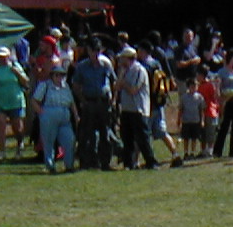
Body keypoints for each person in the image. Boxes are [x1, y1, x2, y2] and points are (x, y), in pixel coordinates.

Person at [70, 37, 113, 170]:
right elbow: (76, 85)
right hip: (89, 102)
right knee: (87, 134)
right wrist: (83, 100)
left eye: (98, 51)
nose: (95, 54)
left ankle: (105, 162)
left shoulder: (106, 65)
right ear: (88, 51)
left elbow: (113, 81)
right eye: (93, 51)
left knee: (105, 133)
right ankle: (87, 162)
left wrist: (113, 98)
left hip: (103, 102)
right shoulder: (82, 67)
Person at [139, 40, 184, 167]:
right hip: (159, 102)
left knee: (143, 133)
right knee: (162, 132)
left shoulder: (143, 66)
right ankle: (175, 155)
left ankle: (138, 160)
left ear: (144, 51)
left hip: (148, 103)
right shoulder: (156, 64)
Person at [115, 46, 158, 169]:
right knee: (126, 137)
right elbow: (117, 87)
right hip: (126, 109)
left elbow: (133, 89)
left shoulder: (139, 70)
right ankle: (128, 163)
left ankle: (151, 162)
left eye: (122, 58)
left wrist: (123, 83)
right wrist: (121, 76)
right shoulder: (124, 71)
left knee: (142, 138)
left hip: (138, 109)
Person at [31, 61, 76, 173]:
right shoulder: (45, 85)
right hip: (49, 113)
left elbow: (71, 102)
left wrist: (76, 115)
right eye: (57, 75)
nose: (59, 77)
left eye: (61, 75)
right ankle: (50, 165)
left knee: (69, 140)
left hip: (65, 115)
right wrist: (41, 112)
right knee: (49, 142)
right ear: (52, 76)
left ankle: (69, 165)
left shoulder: (66, 87)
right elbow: (34, 100)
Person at [0, 45, 28, 160]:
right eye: (0, 57)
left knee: (17, 127)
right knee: (0, 125)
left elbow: (25, 82)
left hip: (15, 100)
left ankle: (19, 147)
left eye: (4, 56)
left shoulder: (15, 66)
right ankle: (2, 151)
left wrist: (17, 73)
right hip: (0, 101)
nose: (2, 59)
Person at [178, 76, 204, 159]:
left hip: (195, 121)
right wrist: (179, 119)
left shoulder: (199, 97)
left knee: (194, 138)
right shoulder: (184, 97)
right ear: (188, 87)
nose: (194, 88)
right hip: (186, 121)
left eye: (195, 86)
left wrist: (202, 120)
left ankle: (192, 152)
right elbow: (181, 109)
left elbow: (201, 110)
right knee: (186, 138)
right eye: (192, 87)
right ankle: (186, 152)